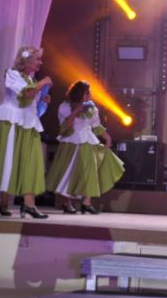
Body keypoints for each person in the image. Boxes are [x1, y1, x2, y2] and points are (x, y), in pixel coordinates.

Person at [0, 46, 52, 219]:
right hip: (12, 123)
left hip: (28, 124)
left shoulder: (30, 79)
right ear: (27, 61)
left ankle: (28, 205)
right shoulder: (12, 74)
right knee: (9, 160)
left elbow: (32, 104)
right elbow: (26, 95)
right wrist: (42, 84)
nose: (40, 63)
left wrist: (43, 102)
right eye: (37, 59)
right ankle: (5, 201)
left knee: (30, 163)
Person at [44, 81, 125, 214]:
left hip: (88, 143)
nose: (90, 95)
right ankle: (67, 203)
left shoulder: (92, 108)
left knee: (90, 172)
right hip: (71, 143)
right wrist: (76, 111)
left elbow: (96, 126)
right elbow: (65, 126)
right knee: (70, 173)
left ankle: (86, 203)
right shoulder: (65, 107)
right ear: (79, 94)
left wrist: (107, 138)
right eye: (87, 93)